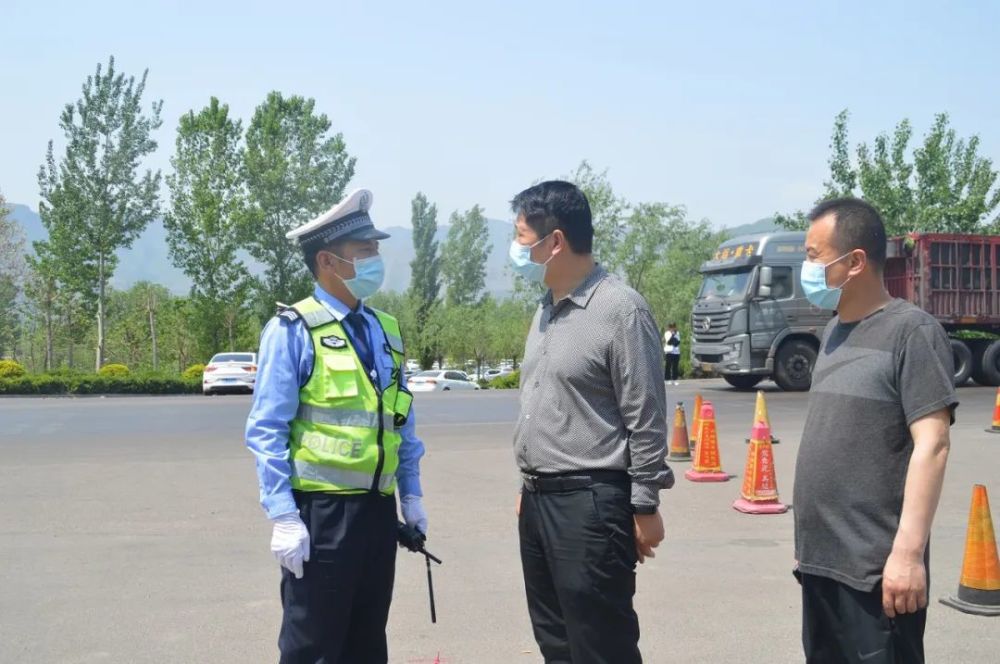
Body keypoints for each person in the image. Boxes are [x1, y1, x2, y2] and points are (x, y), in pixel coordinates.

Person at [245, 188, 427, 664]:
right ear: (328, 261)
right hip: (321, 517)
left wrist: (411, 494)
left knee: (367, 643)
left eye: (375, 249)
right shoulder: (292, 330)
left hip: (378, 513)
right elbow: (267, 430)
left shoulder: (385, 329)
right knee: (313, 646)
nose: (375, 258)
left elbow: (399, 420)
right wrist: (283, 515)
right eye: (364, 250)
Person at [508, 180, 673, 664]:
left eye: (522, 238)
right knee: (555, 641)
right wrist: (527, 483)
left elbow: (646, 416)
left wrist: (644, 503)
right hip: (539, 502)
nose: (517, 251)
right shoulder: (545, 311)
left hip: (591, 505)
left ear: (554, 241)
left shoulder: (619, 310)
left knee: (600, 645)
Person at [792, 198, 957, 664]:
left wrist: (907, 555)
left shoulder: (912, 332)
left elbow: (934, 444)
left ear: (855, 262)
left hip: (876, 573)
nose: (805, 267)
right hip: (822, 565)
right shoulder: (832, 334)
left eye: (813, 255)